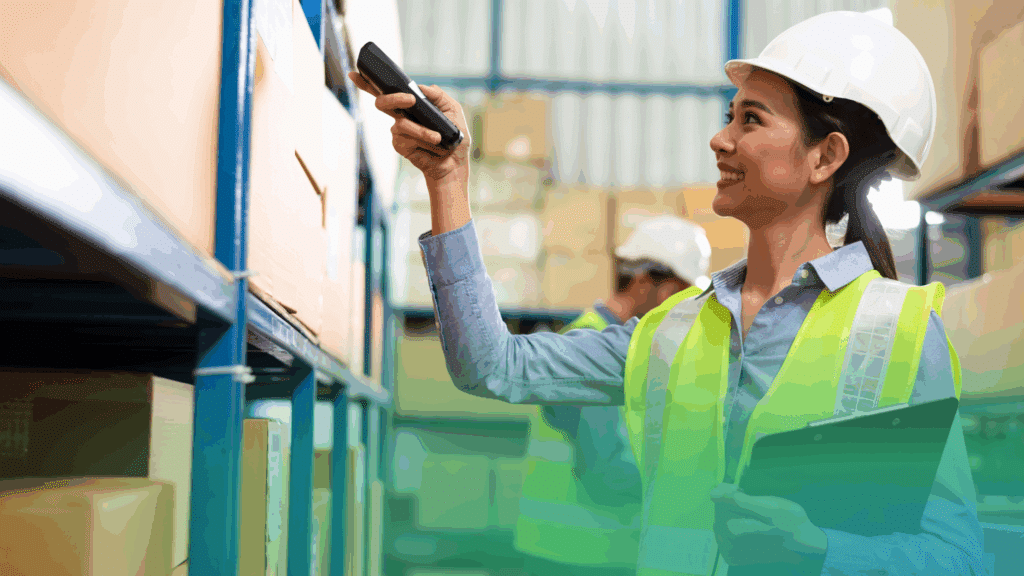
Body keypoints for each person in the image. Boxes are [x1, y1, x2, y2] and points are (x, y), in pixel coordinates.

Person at [350, 10, 984, 576]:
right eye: (728, 116)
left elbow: (959, 559)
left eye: (751, 119)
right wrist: (449, 180)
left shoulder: (897, 331)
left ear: (825, 156)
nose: (720, 138)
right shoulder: (673, 331)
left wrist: (822, 553)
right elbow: (490, 365)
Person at [517, 215, 712, 576]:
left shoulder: (616, 344)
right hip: (578, 556)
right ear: (642, 281)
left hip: (570, 552)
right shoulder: (594, 351)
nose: (682, 310)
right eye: (679, 294)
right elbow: (605, 475)